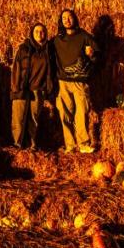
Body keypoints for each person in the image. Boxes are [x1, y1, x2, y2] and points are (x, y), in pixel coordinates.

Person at [51, 9, 99, 153]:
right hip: (62, 81)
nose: (67, 20)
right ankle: (70, 144)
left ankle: (83, 143)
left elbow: (97, 54)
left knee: (82, 111)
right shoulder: (57, 39)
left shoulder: (84, 36)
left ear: (75, 19)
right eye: (64, 17)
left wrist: (92, 54)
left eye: (69, 17)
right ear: (61, 21)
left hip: (80, 81)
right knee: (65, 113)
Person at [10, 23, 53, 149]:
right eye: (36, 31)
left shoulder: (49, 51)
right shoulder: (24, 49)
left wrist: (47, 88)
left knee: (33, 119)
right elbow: (16, 68)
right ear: (32, 34)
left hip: (37, 89)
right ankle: (17, 144)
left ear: (46, 34)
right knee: (19, 118)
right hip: (22, 88)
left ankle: (31, 145)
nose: (39, 34)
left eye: (42, 31)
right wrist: (15, 88)